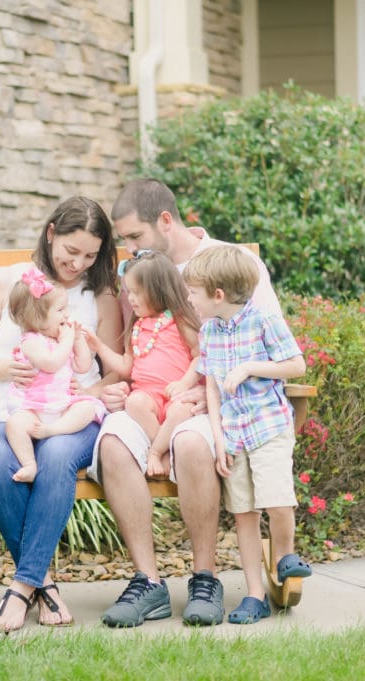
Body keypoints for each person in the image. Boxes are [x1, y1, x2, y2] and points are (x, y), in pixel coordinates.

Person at [91, 178, 284, 628]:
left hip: (208, 400)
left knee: (196, 446)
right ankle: (148, 583)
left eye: (135, 237)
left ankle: (205, 578)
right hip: (146, 400)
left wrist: (207, 387)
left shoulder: (231, 264)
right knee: (114, 447)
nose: (129, 249)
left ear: (165, 221)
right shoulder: (136, 273)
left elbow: (264, 340)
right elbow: (132, 344)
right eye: (124, 242)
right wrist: (112, 386)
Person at [0, 196, 123, 632]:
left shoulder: (102, 297)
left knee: (56, 457)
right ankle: (45, 586)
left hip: (71, 415)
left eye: (90, 255)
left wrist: (92, 389)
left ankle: (21, 589)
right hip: (10, 411)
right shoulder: (6, 281)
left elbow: (113, 372)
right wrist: (5, 368)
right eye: (70, 251)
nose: (78, 263)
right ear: (51, 232)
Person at [184, 244, 312, 624]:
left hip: (269, 427)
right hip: (234, 434)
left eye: (193, 292)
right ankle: (255, 594)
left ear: (218, 295)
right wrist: (218, 438)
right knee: (244, 513)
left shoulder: (264, 320)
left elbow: (297, 365)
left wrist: (251, 368)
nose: (189, 299)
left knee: (277, 501)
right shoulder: (209, 331)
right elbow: (210, 385)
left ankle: (285, 557)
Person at [84, 250, 200, 478]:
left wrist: (185, 384)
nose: (130, 299)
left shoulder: (179, 320)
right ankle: (162, 447)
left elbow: (200, 355)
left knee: (181, 411)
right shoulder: (137, 326)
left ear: (159, 289)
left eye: (137, 293)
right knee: (133, 403)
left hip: (175, 393)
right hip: (148, 397)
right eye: (129, 292)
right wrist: (99, 347)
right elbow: (127, 367)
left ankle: (156, 451)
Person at [5, 268, 107, 483]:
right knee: (14, 424)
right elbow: (51, 364)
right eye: (60, 310)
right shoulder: (31, 341)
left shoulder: (61, 339)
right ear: (38, 318)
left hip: (64, 406)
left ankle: (54, 430)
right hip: (34, 408)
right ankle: (29, 463)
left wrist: (78, 341)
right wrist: (68, 341)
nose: (66, 315)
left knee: (87, 408)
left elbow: (82, 366)